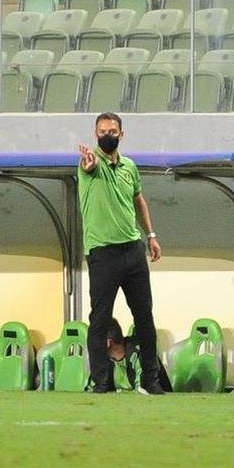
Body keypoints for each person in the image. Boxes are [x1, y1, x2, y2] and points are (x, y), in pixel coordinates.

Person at [77, 112, 165, 395]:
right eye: (102, 131)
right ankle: (102, 384)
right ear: (95, 134)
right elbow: (87, 167)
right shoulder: (90, 164)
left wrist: (150, 235)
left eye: (112, 131)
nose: (107, 135)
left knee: (144, 318)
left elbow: (139, 199)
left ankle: (151, 382)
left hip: (133, 251)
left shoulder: (129, 167)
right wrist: (88, 163)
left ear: (121, 135)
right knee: (100, 320)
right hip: (103, 253)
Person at [101, 318, 172, 393]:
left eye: (95, 339)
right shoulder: (105, 361)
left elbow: (143, 390)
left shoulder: (140, 353)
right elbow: (94, 388)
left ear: (108, 343)